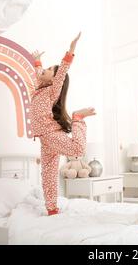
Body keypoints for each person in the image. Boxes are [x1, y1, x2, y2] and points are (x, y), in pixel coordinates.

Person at [29, 32, 96, 215]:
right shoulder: (39, 88)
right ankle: (51, 209)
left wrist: (71, 49)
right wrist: (37, 62)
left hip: (52, 134)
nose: (44, 71)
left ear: (54, 79)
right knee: (48, 175)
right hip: (45, 140)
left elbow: (62, 71)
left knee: (78, 150)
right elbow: (38, 73)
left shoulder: (52, 90)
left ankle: (78, 118)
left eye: (50, 69)